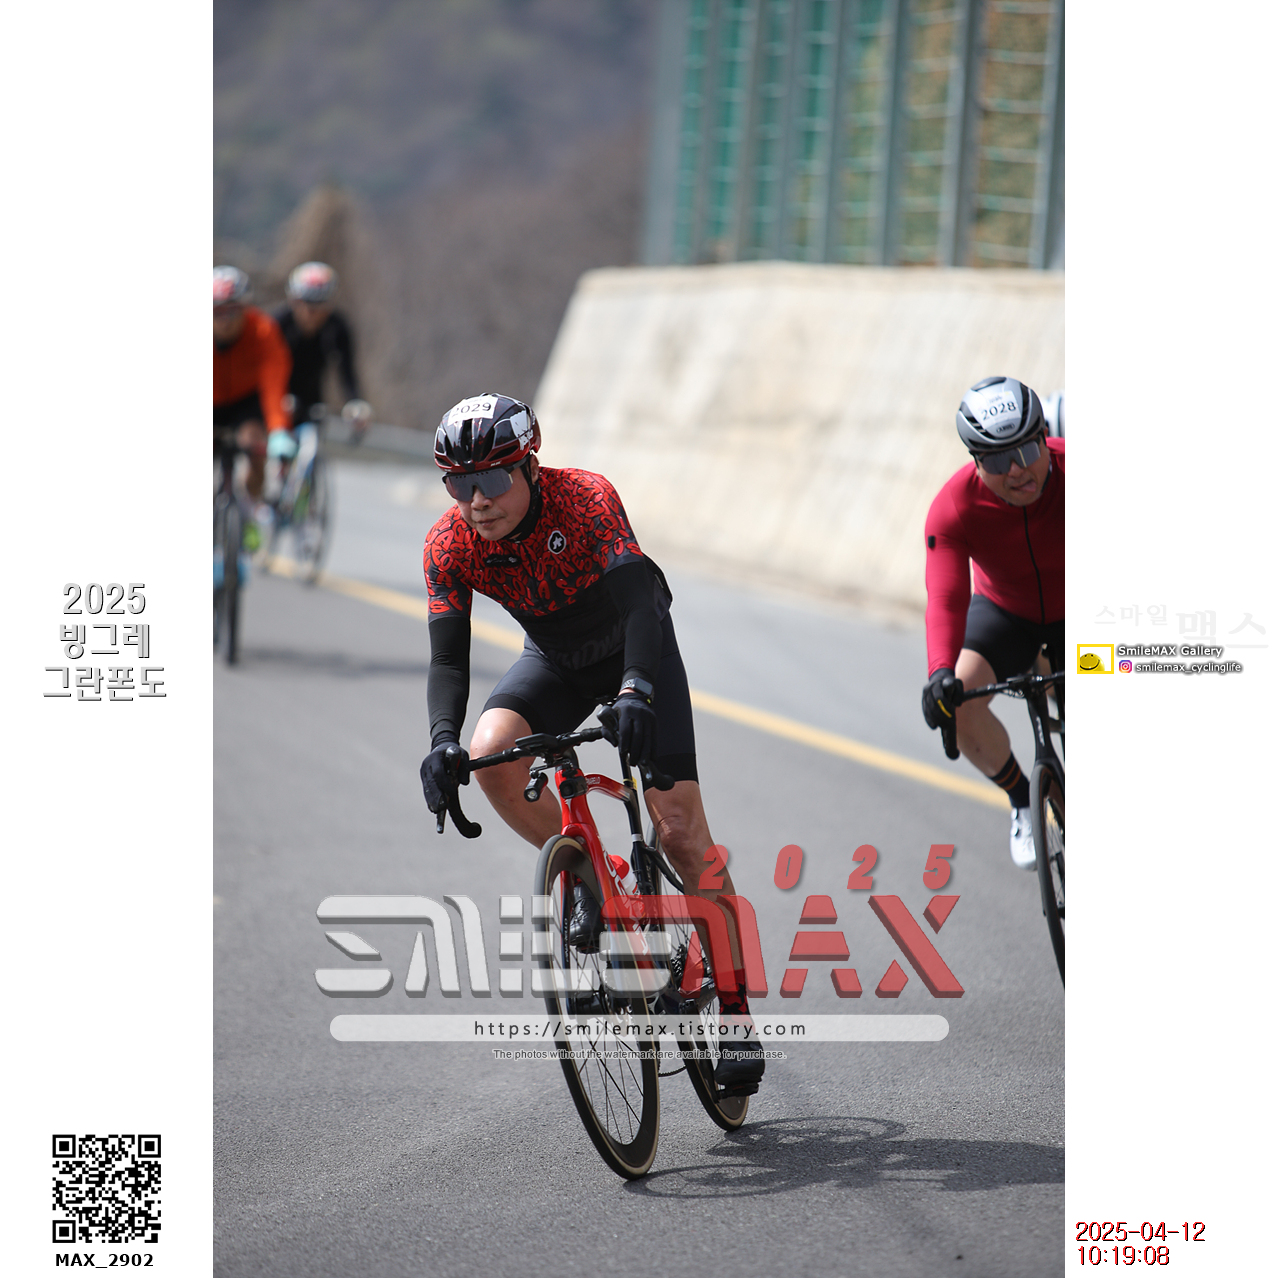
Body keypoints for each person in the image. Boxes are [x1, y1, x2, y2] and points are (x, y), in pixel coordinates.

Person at [418, 393, 764, 1094]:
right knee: (491, 754)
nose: (476, 501)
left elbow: (639, 605)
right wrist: (442, 742)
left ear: (530, 466)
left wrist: (637, 689)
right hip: (555, 661)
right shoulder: (448, 544)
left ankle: (734, 1011)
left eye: (492, 480)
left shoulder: (584, 499)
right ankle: (592, 874)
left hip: (638, 652)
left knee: (680, 832)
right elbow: (449, 660)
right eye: (459, 484)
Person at [920, 376, 1064, 868]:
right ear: (976, 461)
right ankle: (1024, 801)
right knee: (956, 702)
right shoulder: (953, 507)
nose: (1018, 470)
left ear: (1045, 436)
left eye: (1027, 450)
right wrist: (940, 674)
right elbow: (945, 598)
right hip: (1007, 615)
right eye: (999, 461)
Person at [213, 265, 292, 511]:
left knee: (255, 447)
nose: (224, 321)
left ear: (245, 309)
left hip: (246, 402)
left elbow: (274, 383)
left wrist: (278, 429)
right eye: (216, 311)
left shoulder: (263, 331)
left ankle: (251, 509)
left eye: (232, 311)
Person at [273, 261, 371, 438]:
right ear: (293, 301)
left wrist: (355, 402)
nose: (311, 312)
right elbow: (262, 368)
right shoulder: (277, 325)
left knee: (311, 443)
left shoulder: (337, 328)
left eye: (320, 304)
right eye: (305, 303)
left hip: (313, 403)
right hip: (275, 400)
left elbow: (347, 371)